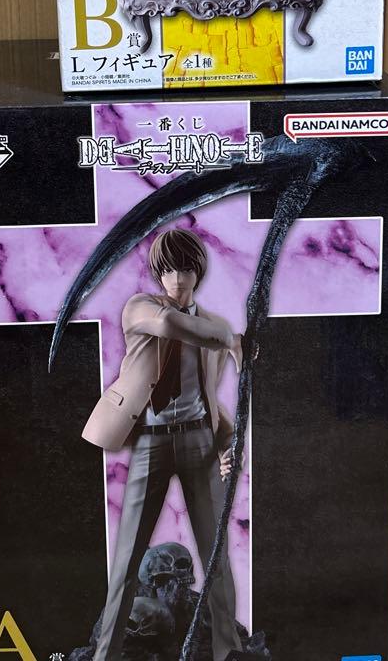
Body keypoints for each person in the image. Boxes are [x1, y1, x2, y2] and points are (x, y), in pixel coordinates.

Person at [83, 228, 242, 661]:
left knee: (216, 558)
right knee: (127, 559)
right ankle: (105, 654)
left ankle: (229, 651)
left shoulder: (211, 329)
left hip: (199, 441)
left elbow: (208, 398)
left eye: (185, 269)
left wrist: (229, 443)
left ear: (198, 272)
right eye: (168, 270)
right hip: (150, 442)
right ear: (158, 274)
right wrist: (230, 338)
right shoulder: (141, 308)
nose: (176, 279)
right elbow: (172, 325)